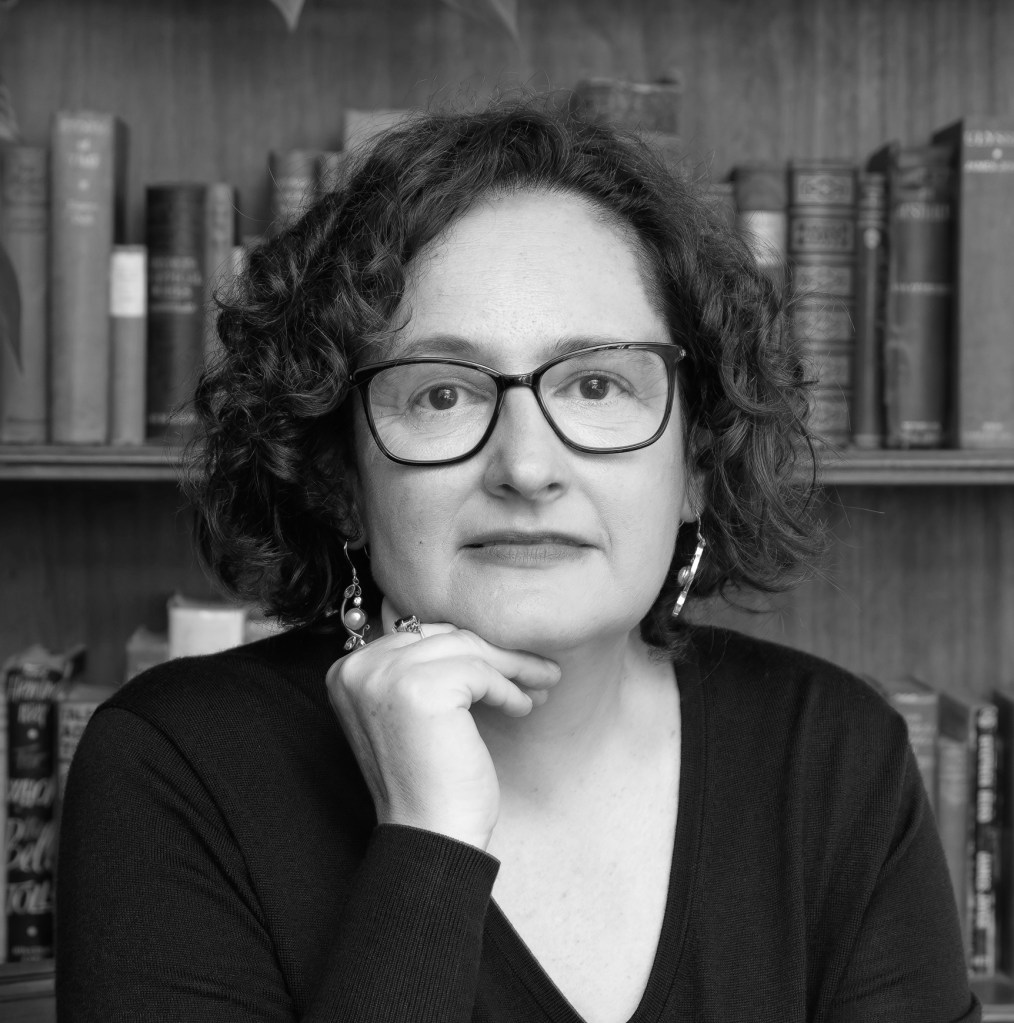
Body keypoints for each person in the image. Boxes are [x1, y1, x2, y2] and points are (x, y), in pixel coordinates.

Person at [55, 97, 979, 1023]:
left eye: (597, 384)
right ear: (339, 478)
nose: (528, 467)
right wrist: (429, 847)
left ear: (697, 462)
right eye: (442, 394)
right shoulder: (174, 770)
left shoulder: (837, 762)